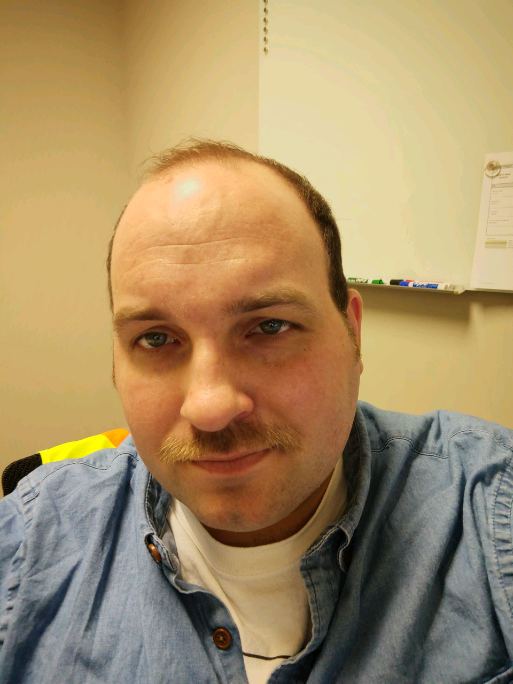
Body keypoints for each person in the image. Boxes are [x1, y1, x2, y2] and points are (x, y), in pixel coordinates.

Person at [1, 139, 512, 684]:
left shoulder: (489, 517)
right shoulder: (28, 550)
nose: (211, 407)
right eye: (156, 338)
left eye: (269, 327)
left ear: (352, 332)